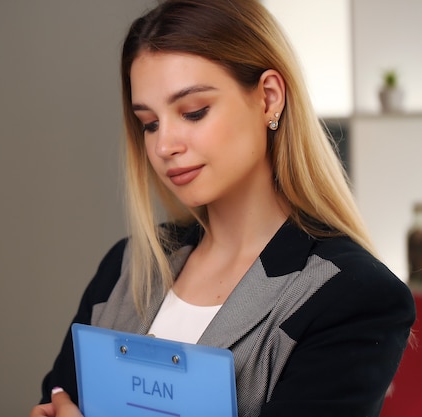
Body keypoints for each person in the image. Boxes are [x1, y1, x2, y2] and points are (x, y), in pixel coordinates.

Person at [30, 0, 416, 416]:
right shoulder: (127, 266)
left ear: (269, 98)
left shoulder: (353, 295)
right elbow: (52, 402)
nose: (164, 146)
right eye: (150, 123)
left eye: (193, 112)